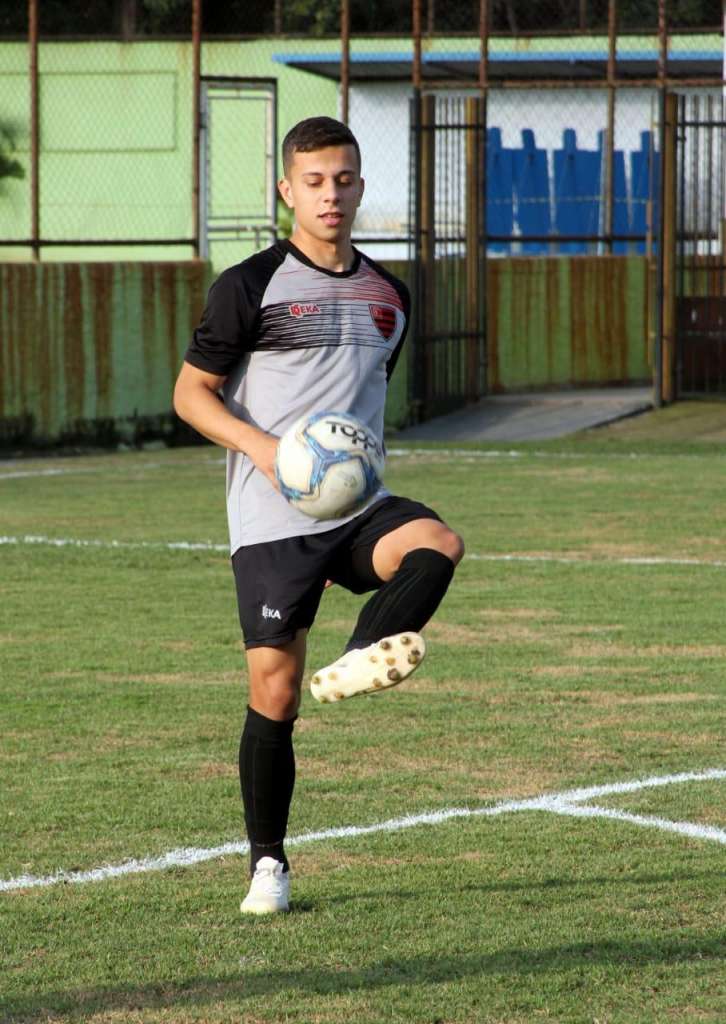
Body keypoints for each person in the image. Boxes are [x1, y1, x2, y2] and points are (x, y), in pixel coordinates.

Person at [173, 116, 464, 915]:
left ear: (361, 186)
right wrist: (266, 451)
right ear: (286, 191)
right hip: (270, 516)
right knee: (275, 691)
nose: (329, 195)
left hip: (357, 504)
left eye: (342, 180)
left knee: (436, 542)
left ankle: (368, 650)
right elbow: (189, 395)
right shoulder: (249, 286)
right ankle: (268, 864)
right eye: (313, 182)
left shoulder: (389, 297)